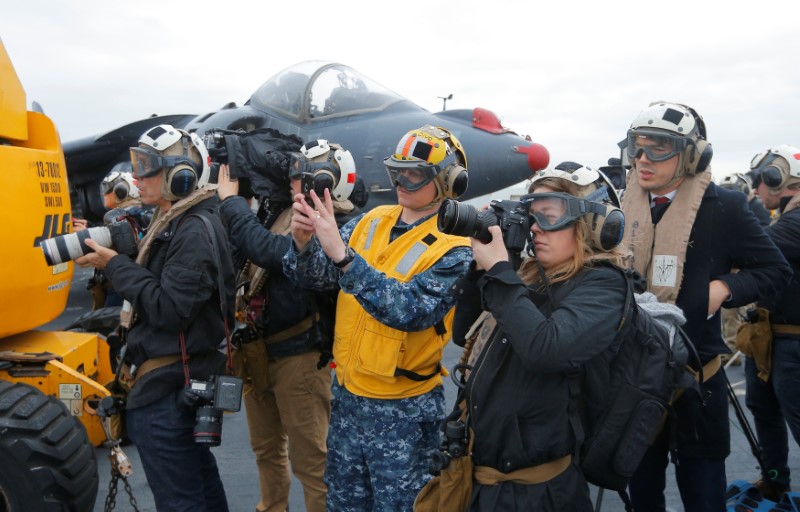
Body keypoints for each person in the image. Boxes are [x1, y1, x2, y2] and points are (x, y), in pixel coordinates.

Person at [283, 125, 472, 511]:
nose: (401, 182)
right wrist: (303, 243)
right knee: (343, 503)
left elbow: (410, 310)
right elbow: (317, 277)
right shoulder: (372, 220)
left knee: (402, 505)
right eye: (396, 172)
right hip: (348, 398)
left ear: (448, 180)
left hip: (401, 412)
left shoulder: (456, 248)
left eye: (414, 174)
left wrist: (343, 258)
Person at [620, 101, 791, 512]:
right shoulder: (620, 207)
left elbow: (775, 269)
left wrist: (724, 287)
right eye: (638, 145)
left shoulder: (725, 208)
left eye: (659, 147)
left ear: (693, 155)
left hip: (698, 379)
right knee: (641, 494)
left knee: (703, 494)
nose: (643, 158)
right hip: (632, 378)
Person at [75, 124, 236, 512]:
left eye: (147, 167)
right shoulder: (179, 220)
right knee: (201, 489)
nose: (137, 177)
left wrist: (114, 265)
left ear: (179, 175)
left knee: (181, 501)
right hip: (176, 385)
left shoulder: (192, 230)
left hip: (166, 393)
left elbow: (168, 309)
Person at [449, 162, 628, 511]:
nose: (535, 227)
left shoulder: (604, 284)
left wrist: (500, 271)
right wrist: (481, 270)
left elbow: (546, 349)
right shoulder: (527, 273)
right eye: (533, 215)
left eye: (550, 216)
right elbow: (463, 333)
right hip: (483, 477)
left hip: (540, 492)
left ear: (593, 225)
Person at [216, 139, 359, 512]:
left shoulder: (338, 227)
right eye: (295, 175)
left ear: (325, 184)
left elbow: (269, 251)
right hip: (260, 352)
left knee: (312, 463)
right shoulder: (285, 212)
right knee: (266, 450)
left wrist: (231, 203)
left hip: (299, 358)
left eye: (303, 177)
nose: (293, 183)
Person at [741, 144, 800, 501]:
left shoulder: (795, 221)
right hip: (770, 337)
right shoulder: (787, 217)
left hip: (792, 341)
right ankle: (775, 480)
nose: (755, 188)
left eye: (760, 179)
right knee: (763, 409)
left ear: (778, 178)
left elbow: (755, 246)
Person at [718, 172, 773, 365]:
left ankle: (746, 349)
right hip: (734, 269)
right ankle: (732, 348)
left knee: (746, 313)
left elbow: (763, 238)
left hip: (747, 271)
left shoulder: (756, 210)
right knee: (729, 314)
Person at [80, 167, 153, 309]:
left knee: (111, 318)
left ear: (121, 191)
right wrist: (89, 227)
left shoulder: (124, 220)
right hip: (125, 281)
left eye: (108, 188)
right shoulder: (135, 217)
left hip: (119, 287)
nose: (104, 193)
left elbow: (116, 240)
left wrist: (85, 236)